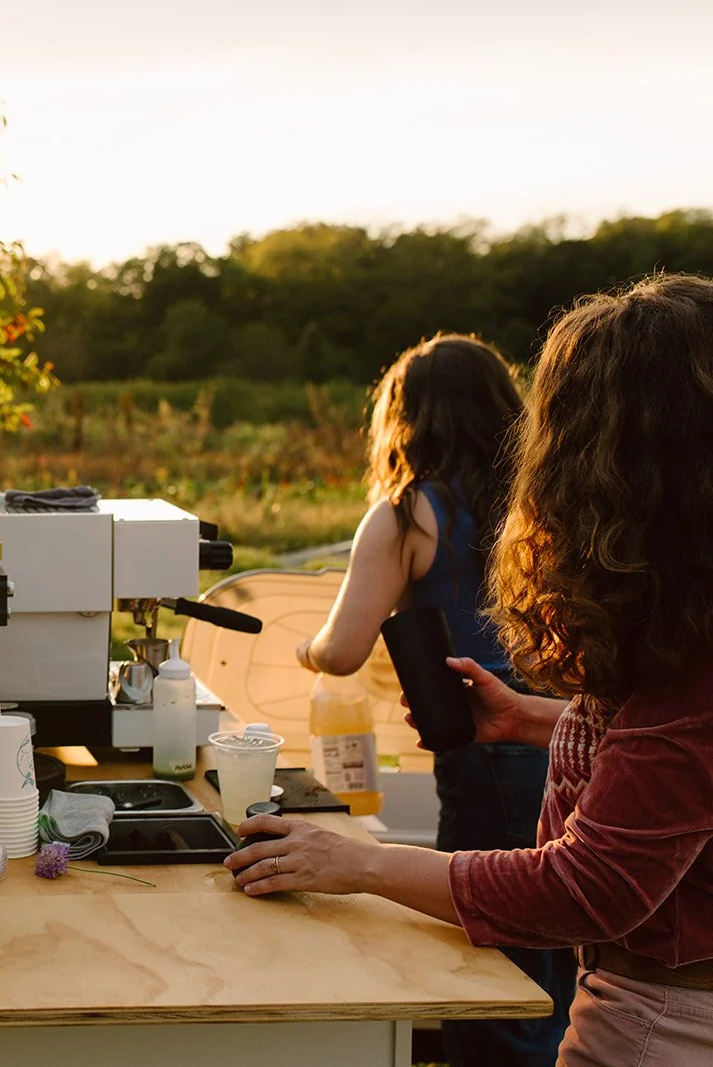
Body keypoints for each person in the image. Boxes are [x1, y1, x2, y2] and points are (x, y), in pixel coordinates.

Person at [229, 274, 713, 1065]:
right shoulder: (686, 608)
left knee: (498, 1000)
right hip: (651, 998)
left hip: (665, 1021)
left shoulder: (694, 654)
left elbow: (584, 889)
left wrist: (358, 862)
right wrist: (528, 716)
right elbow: (672, 757)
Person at [292, 334, 574, 1065]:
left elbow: (344, 648)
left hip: (482, 743)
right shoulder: (549, 501)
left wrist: (305, 647)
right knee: (562, 954)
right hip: (571, 736)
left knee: (490, 954)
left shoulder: (407, 512)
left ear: (407, 420)